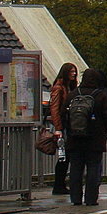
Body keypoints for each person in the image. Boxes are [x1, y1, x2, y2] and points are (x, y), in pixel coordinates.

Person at [64, 67, 107, 207]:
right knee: (93, 168)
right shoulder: (100, 96)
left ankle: (75, 198)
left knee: (75, 169)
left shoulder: (73, 95)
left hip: (74, 139)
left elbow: (64, 114)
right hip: (95, 140)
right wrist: (104, 130)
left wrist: (69, 130)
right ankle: (91, 199)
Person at [48, 62, 78, 195]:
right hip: (64, 125)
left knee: (66, 156)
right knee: (64, 156)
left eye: (74, 71)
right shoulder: (59, 88)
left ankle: (60, 184)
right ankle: (58, 184)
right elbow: (54, 108)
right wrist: (58, 127)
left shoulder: (68, 87)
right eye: (71, 71)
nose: (74, 74)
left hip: (68, 124)